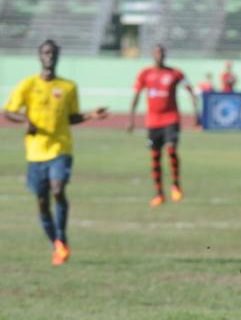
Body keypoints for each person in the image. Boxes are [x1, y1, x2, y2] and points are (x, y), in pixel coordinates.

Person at [3, 39, 107, 265]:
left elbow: (71, 117)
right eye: (46, 53)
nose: (49, 57)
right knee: (42, 201)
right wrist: (26, 120)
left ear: (58, 56)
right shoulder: (27, 85)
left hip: (61, 148)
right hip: (35, 152)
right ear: (40, 56)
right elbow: (9, 112)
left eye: (53, 53)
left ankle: (62, 237)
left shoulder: (68, 87)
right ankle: (57, 244)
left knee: (58, 189)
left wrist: (90, 115)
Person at [127, 44, 200, 207]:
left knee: (171, 150)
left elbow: (191, 91)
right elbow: (136, 95)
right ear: (153, 55)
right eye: (157, 52)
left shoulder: (175, 73)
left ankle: (176, 185)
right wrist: (131, 119)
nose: (160, 55)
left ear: (165, 55)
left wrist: (196, 115)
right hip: (153, 122)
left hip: (171, 119)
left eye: (162, 52)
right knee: (155, 156)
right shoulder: (145, 74)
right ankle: (159, 193)